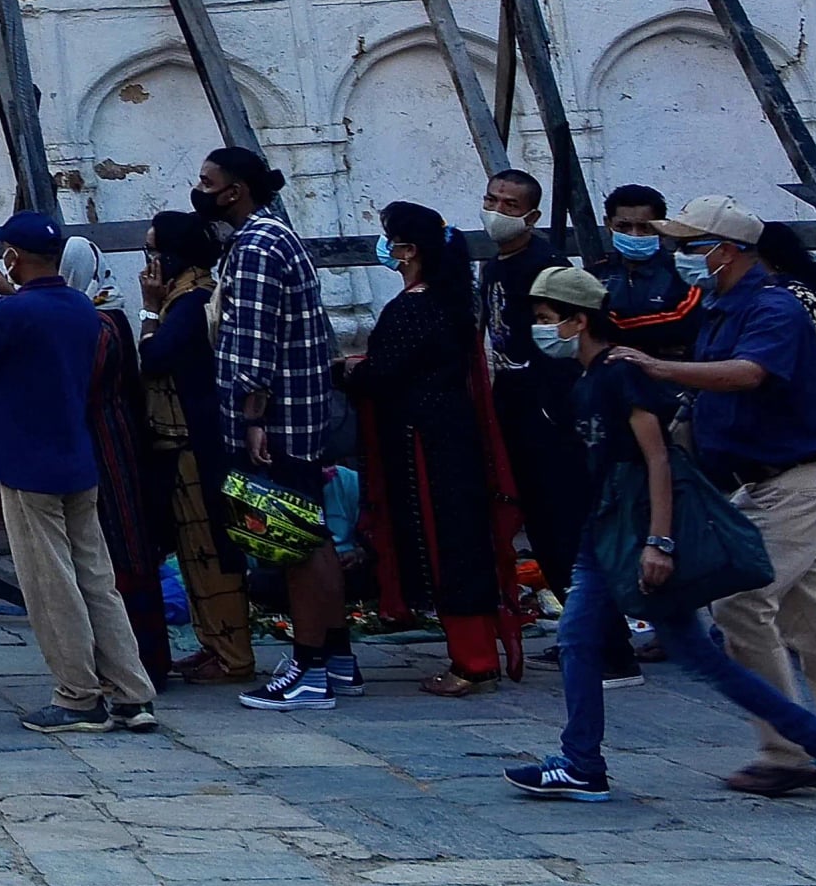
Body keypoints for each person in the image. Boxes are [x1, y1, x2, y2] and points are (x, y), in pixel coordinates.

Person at [505, 267, 816, 815]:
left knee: (699, 655)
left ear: (577, 321)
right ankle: (581, 762)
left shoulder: (620, 376)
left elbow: (658, 459)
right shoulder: (588, 380)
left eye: (545, 319)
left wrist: (660, 541)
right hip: (606, 526)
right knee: (580, 643)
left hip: (635, 526)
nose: (539, 329)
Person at [609, 197, 816, 794]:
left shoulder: (774, 307)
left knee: (743, 604)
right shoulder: (725, 307)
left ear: (727, 250)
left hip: (790, 485)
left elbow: (751, 374)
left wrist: (661, 370)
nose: (681, 255)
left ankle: (789, 749)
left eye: (691, 244)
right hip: (758, 484)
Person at [0, 210, 158, 735]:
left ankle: (78, 694)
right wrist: (9, 294)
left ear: (14, 258)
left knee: (50, 582)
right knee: (96, 578)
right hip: (75, 456)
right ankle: (131, 691)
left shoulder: (13, 314)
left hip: (25, 459)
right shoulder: (83, 310)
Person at [343, 202, 522, 694]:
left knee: (447, 545)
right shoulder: (450, 301)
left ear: (408, 250)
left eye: (392, 241)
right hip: (449, 433)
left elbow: (383, 373)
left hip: (425, 442)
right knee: (461, 540)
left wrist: (351, 370)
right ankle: (474, 652)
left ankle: (473, 660)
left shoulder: (414, 307)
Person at [204, 148, 356, 708]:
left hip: (278, 421)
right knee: (309, 534)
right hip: (297, 414)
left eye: (208, 182)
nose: (201, 191)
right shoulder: (271, 237)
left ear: (235, 190)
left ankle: (309, 667)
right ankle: (337, 657)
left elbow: (254, 339)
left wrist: (253, 417)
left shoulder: (259, 245)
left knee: (295, 542)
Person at [476, 166, 611, 668]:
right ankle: (583, 632)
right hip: (512, 405)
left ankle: (600, 639)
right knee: (541, 527)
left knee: (563, 525)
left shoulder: (546, 268)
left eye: (511, 206)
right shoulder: (495, 266)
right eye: (492, 200)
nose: (498, 211)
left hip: (550, 413)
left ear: (531, 215)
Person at [134, 211, 253, 682]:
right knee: (191, 551)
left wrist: (147, 310)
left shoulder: (190, 302)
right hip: (181, 443)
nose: (150, 261)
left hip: (194, 444)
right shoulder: (183, 298)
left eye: (155, 250)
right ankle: (212, 644)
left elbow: (155, 356)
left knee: (208, 551)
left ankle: (232, 653)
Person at [62, 237, 169, 696]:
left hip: (107, 444)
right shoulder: (104, 314)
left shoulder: (101, 322)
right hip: (111, 438)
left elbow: (82, 382)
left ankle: (140, 660)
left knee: (121, 548)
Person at [599, 184, 701, 361]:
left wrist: (605, 324)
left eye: (644, 227)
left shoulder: (684, 272)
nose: (634, 235)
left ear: (661, 227)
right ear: (608, 224)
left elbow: (681, 323)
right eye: (624, 226)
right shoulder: (596, 273)